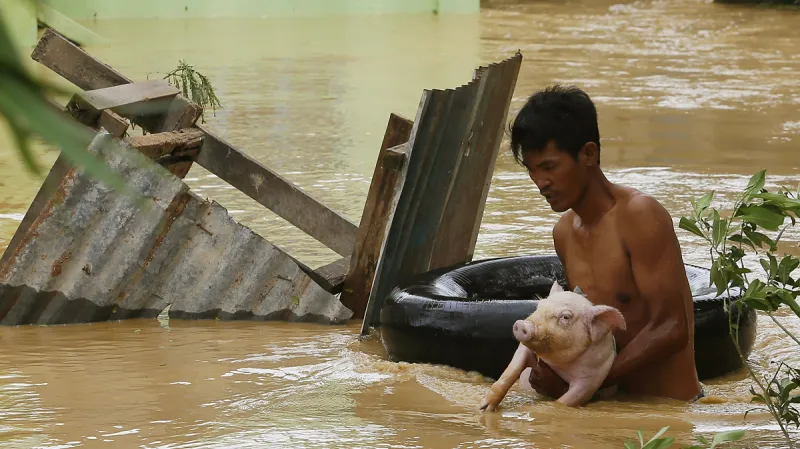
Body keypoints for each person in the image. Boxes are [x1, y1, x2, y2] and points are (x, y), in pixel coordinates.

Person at [509, 84, 704, 402]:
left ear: (588, 154)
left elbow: (671, 327)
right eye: (532, 170)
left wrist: (587, 383)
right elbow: (585, 333)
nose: (541, 182)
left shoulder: (639, 216)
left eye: (549, 167)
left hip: (669, 413)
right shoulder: (564, 233)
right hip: (607, 405)